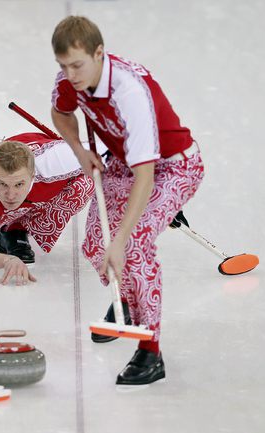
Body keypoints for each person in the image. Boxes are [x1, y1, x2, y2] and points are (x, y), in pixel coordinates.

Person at [50, 16, 205, 385]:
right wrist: (80, 149)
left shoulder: (129, 92)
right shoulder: (69, 78)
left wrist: (121, 240)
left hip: (173, 166)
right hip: (123, 161)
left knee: (132, 246)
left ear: (99, 53)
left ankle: (151, 353)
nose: (70, 74)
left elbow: (146, 176)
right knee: (94, 244)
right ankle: (129, 301)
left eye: (77, 65)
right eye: (63, 65)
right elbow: (60, 111)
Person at [0, 132, 93, 285]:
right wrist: (5, 260)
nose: (11, 195)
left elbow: (113, 155)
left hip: (48, 167)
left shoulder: (58, 162)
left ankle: (20, 227)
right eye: (2, 184)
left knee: (86, 183)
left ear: (33, 175)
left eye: (19, 184)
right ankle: (11, 228)